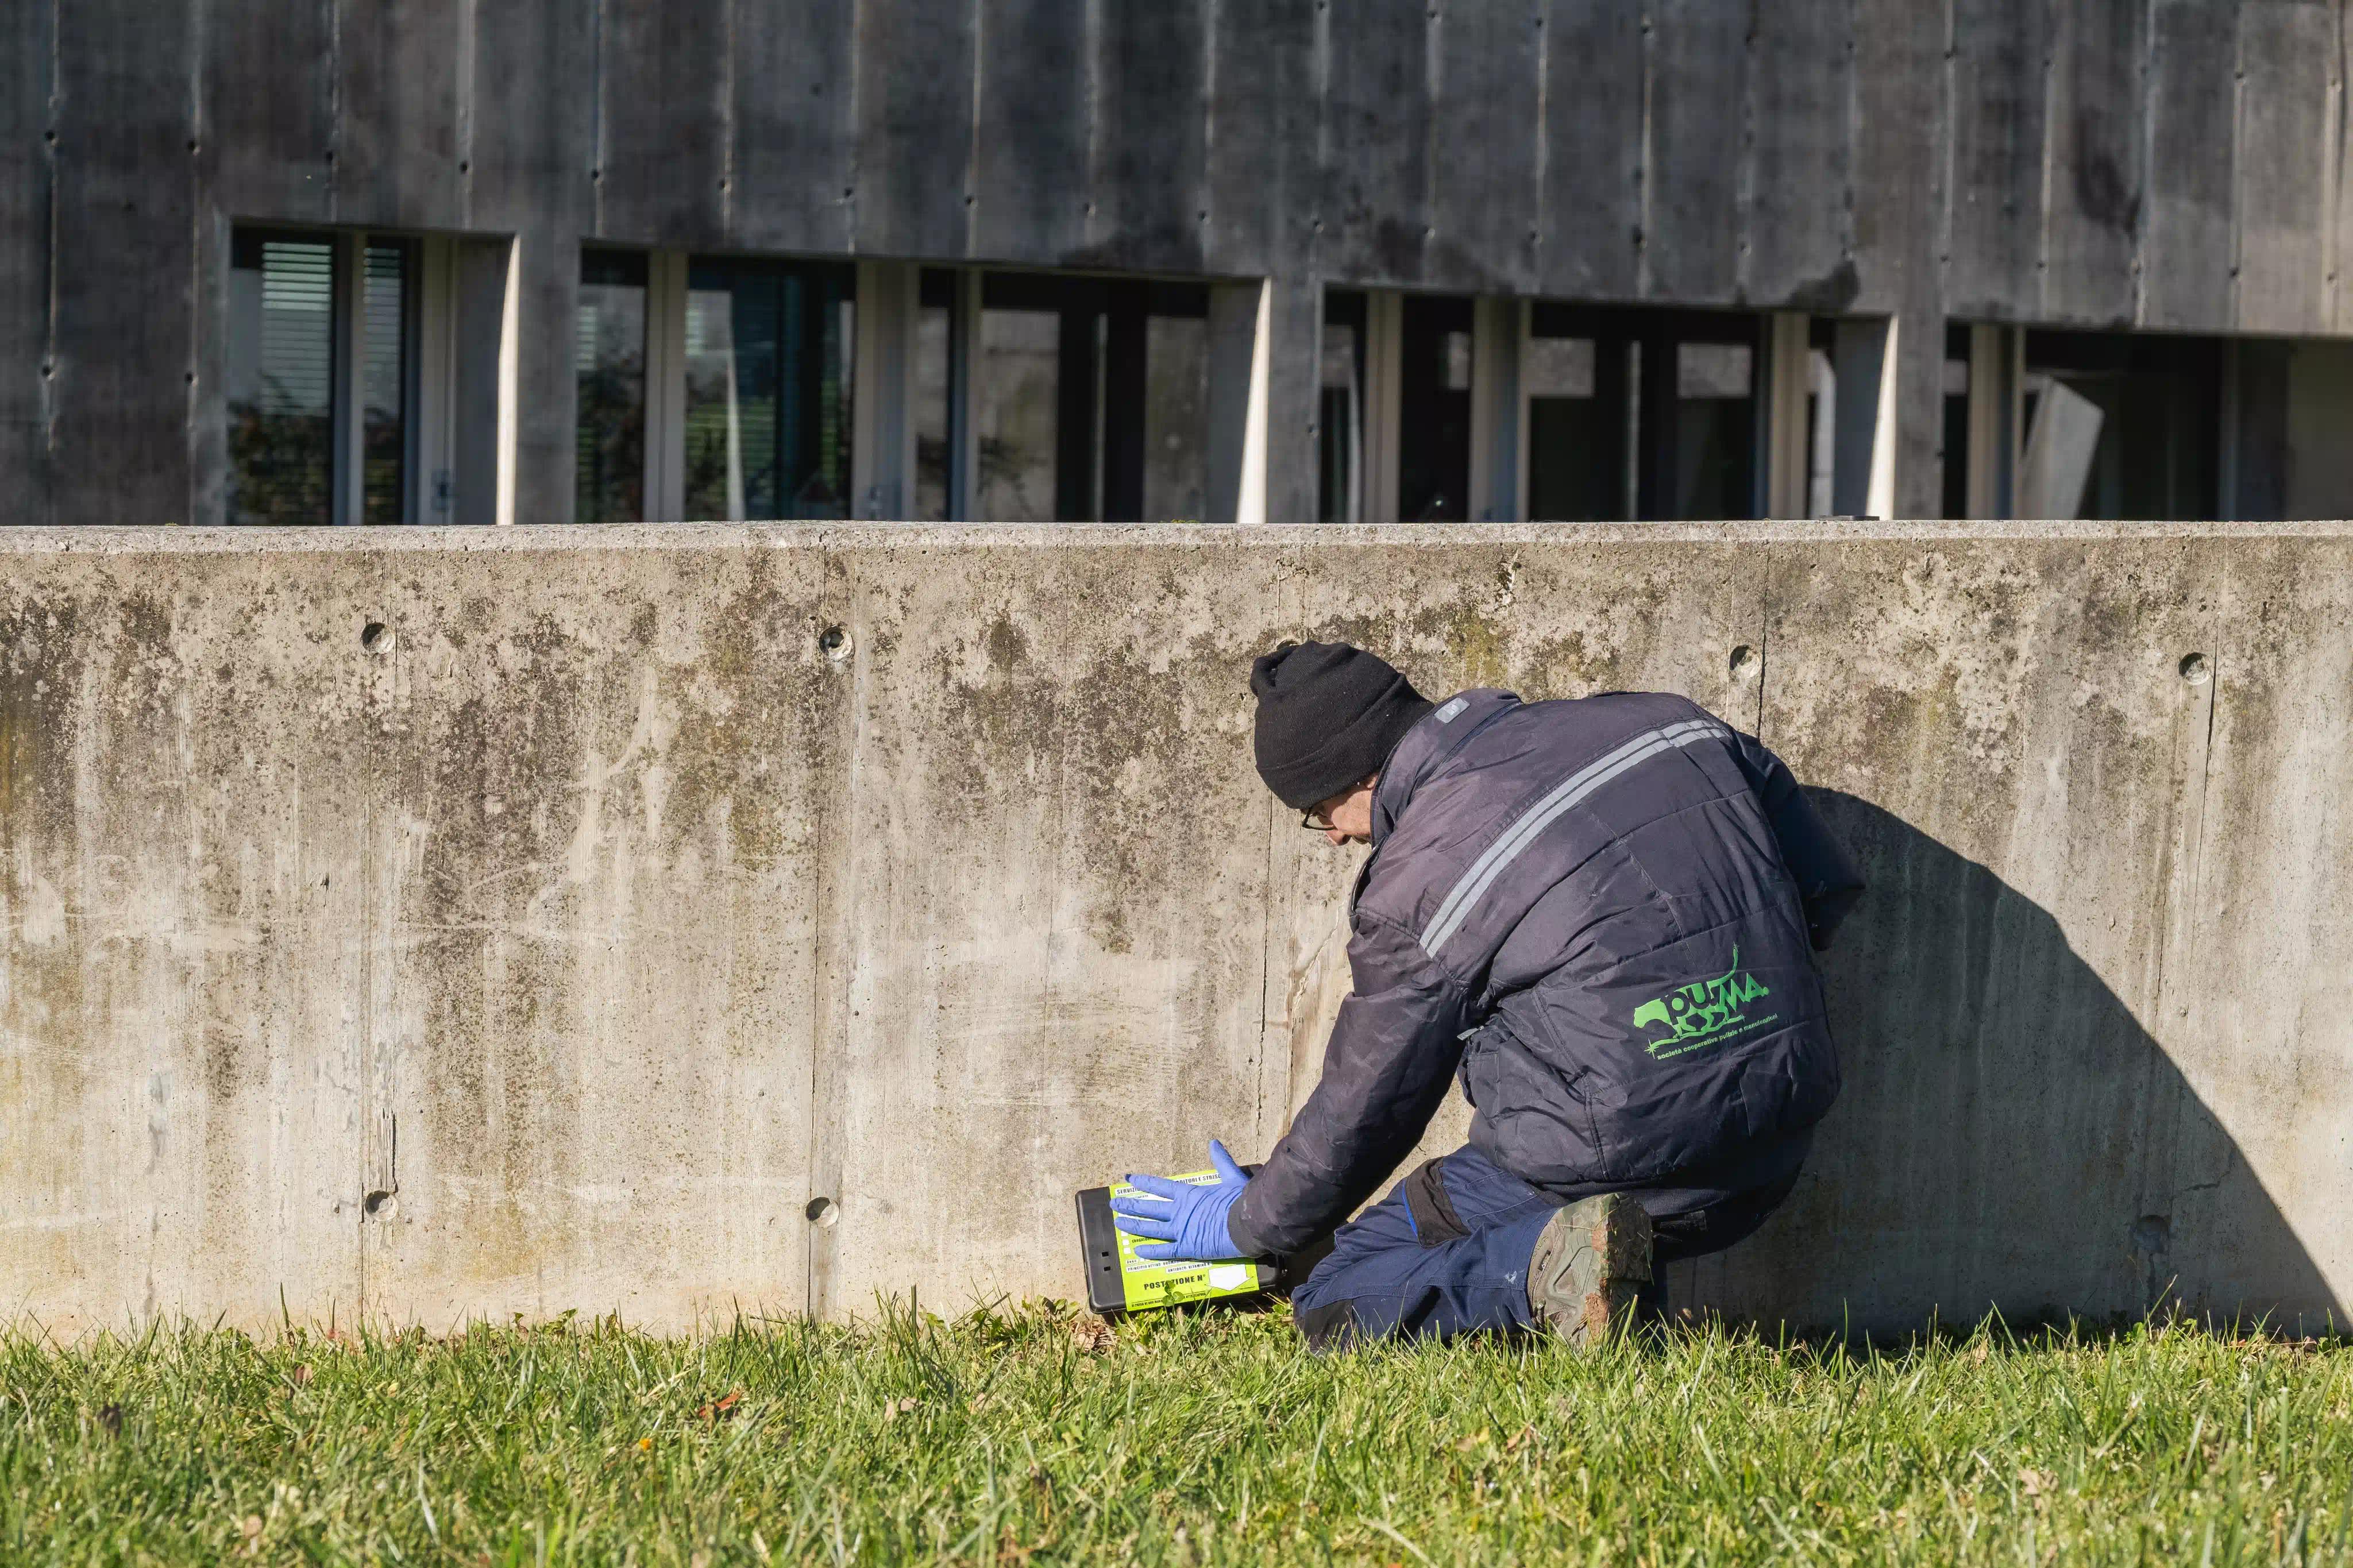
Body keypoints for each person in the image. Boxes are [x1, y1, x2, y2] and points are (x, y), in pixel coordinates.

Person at [1113, 641, 1865, 1349]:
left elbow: (1367, 1103)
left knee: (1338, 1290)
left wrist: (1253, 1221)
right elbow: (1827, 888)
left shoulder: (1422, 878)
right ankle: (1600, 1271)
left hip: (1611, 1161)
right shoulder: (1670, 723)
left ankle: (1548, 1267)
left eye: (1321, 816)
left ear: (1358, 779)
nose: (1338, 838)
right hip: (1775, 1142)